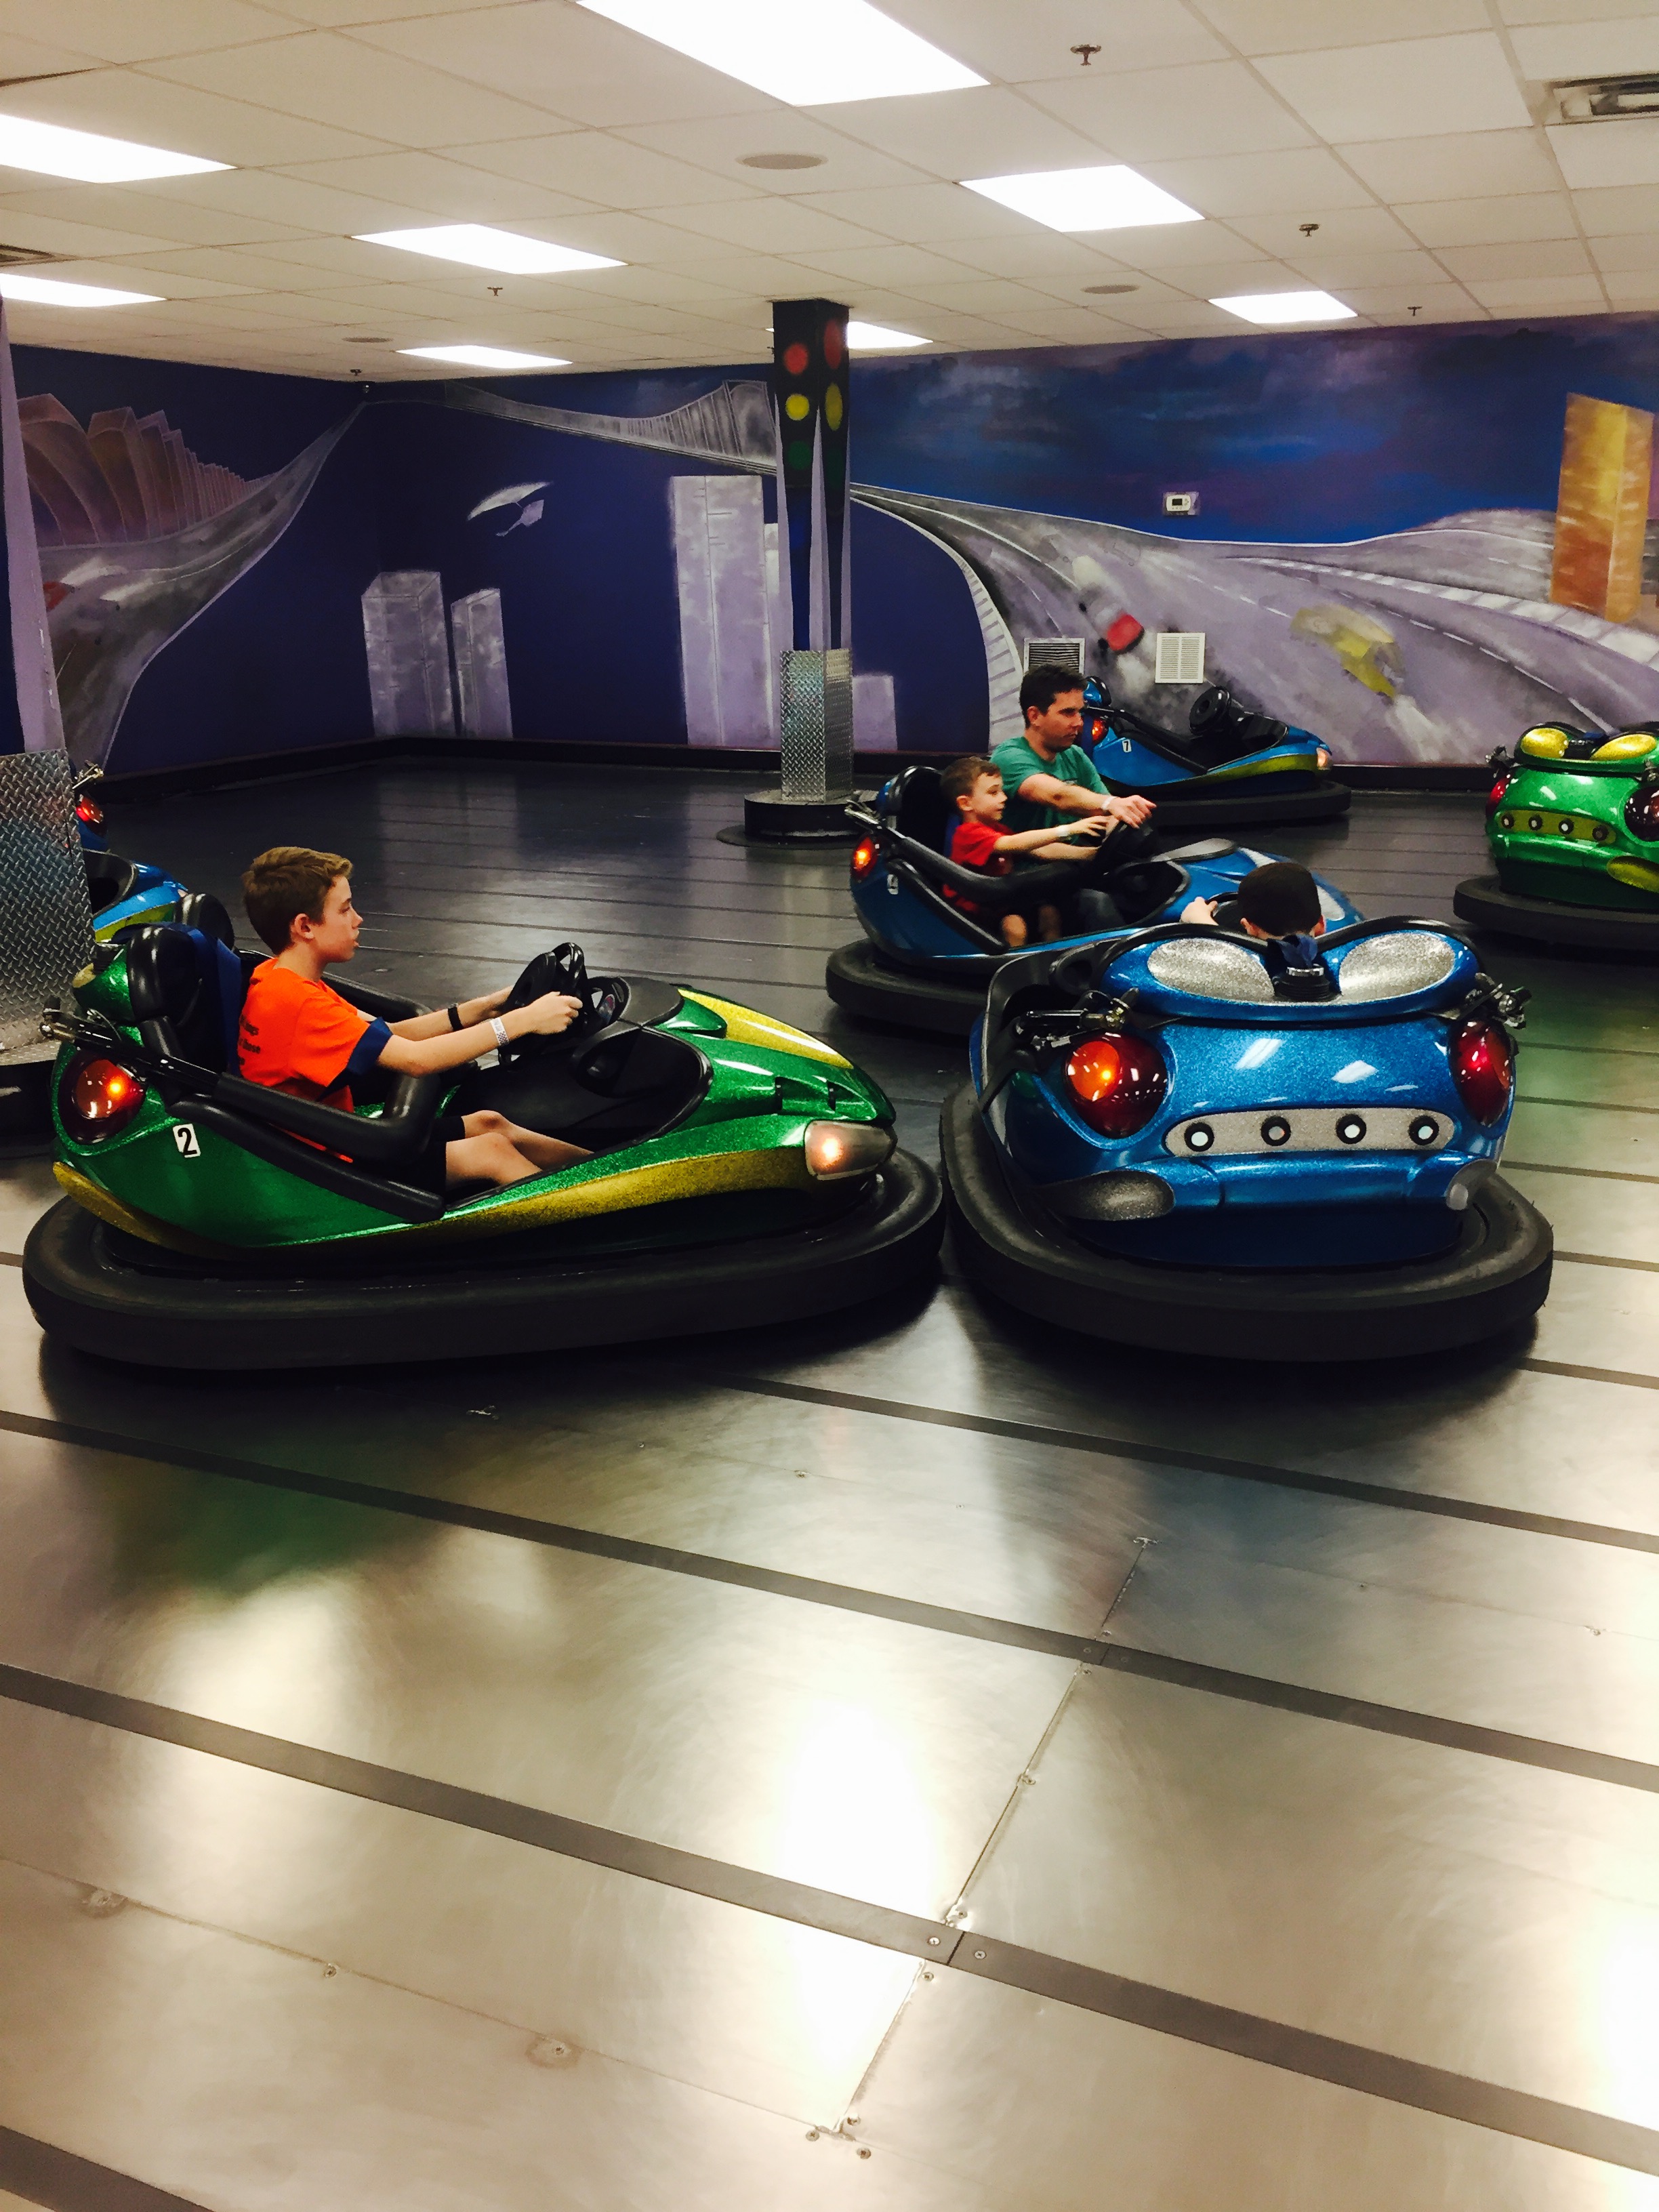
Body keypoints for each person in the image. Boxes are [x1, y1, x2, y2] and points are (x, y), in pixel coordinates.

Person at [237, 846, 591, 1189]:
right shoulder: (299, 1004)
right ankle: (589, 1216)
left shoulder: (280, 979)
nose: (358, 919)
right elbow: (417, 1060)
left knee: (489, 1123)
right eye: (345, 910)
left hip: (334, 1137)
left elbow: (392, 1033)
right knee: (491, 1152)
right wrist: (522, 1022)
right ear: (305, 926)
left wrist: (486, 1007)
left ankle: (602, 1175)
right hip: (327, 1162)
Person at [940, 754, 1115, 946]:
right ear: (966, 803)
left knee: (1049, 913)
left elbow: (1040, 850)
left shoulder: (996, 829)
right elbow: (1013, 843)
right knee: (1015, 926)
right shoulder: (968, 834)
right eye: (994, 793)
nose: (1004, 798)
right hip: (973, 914)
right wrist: (1067, 830)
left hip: (1001, 902)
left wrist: (1091, 854)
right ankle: (1018, 964)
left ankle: (1051, 958)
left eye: (1002, 791)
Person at [991, 664, 1158, 842]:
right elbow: (1057, 796)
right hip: (1028, 860)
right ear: (1035, 716)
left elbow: (1106, 812)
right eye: (1068, 713)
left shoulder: (1074, 755)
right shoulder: (1009, 757)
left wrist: (1120, 824)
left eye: (1080, 712)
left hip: (1073, 858)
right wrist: (1111, 803)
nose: (1079, 723)